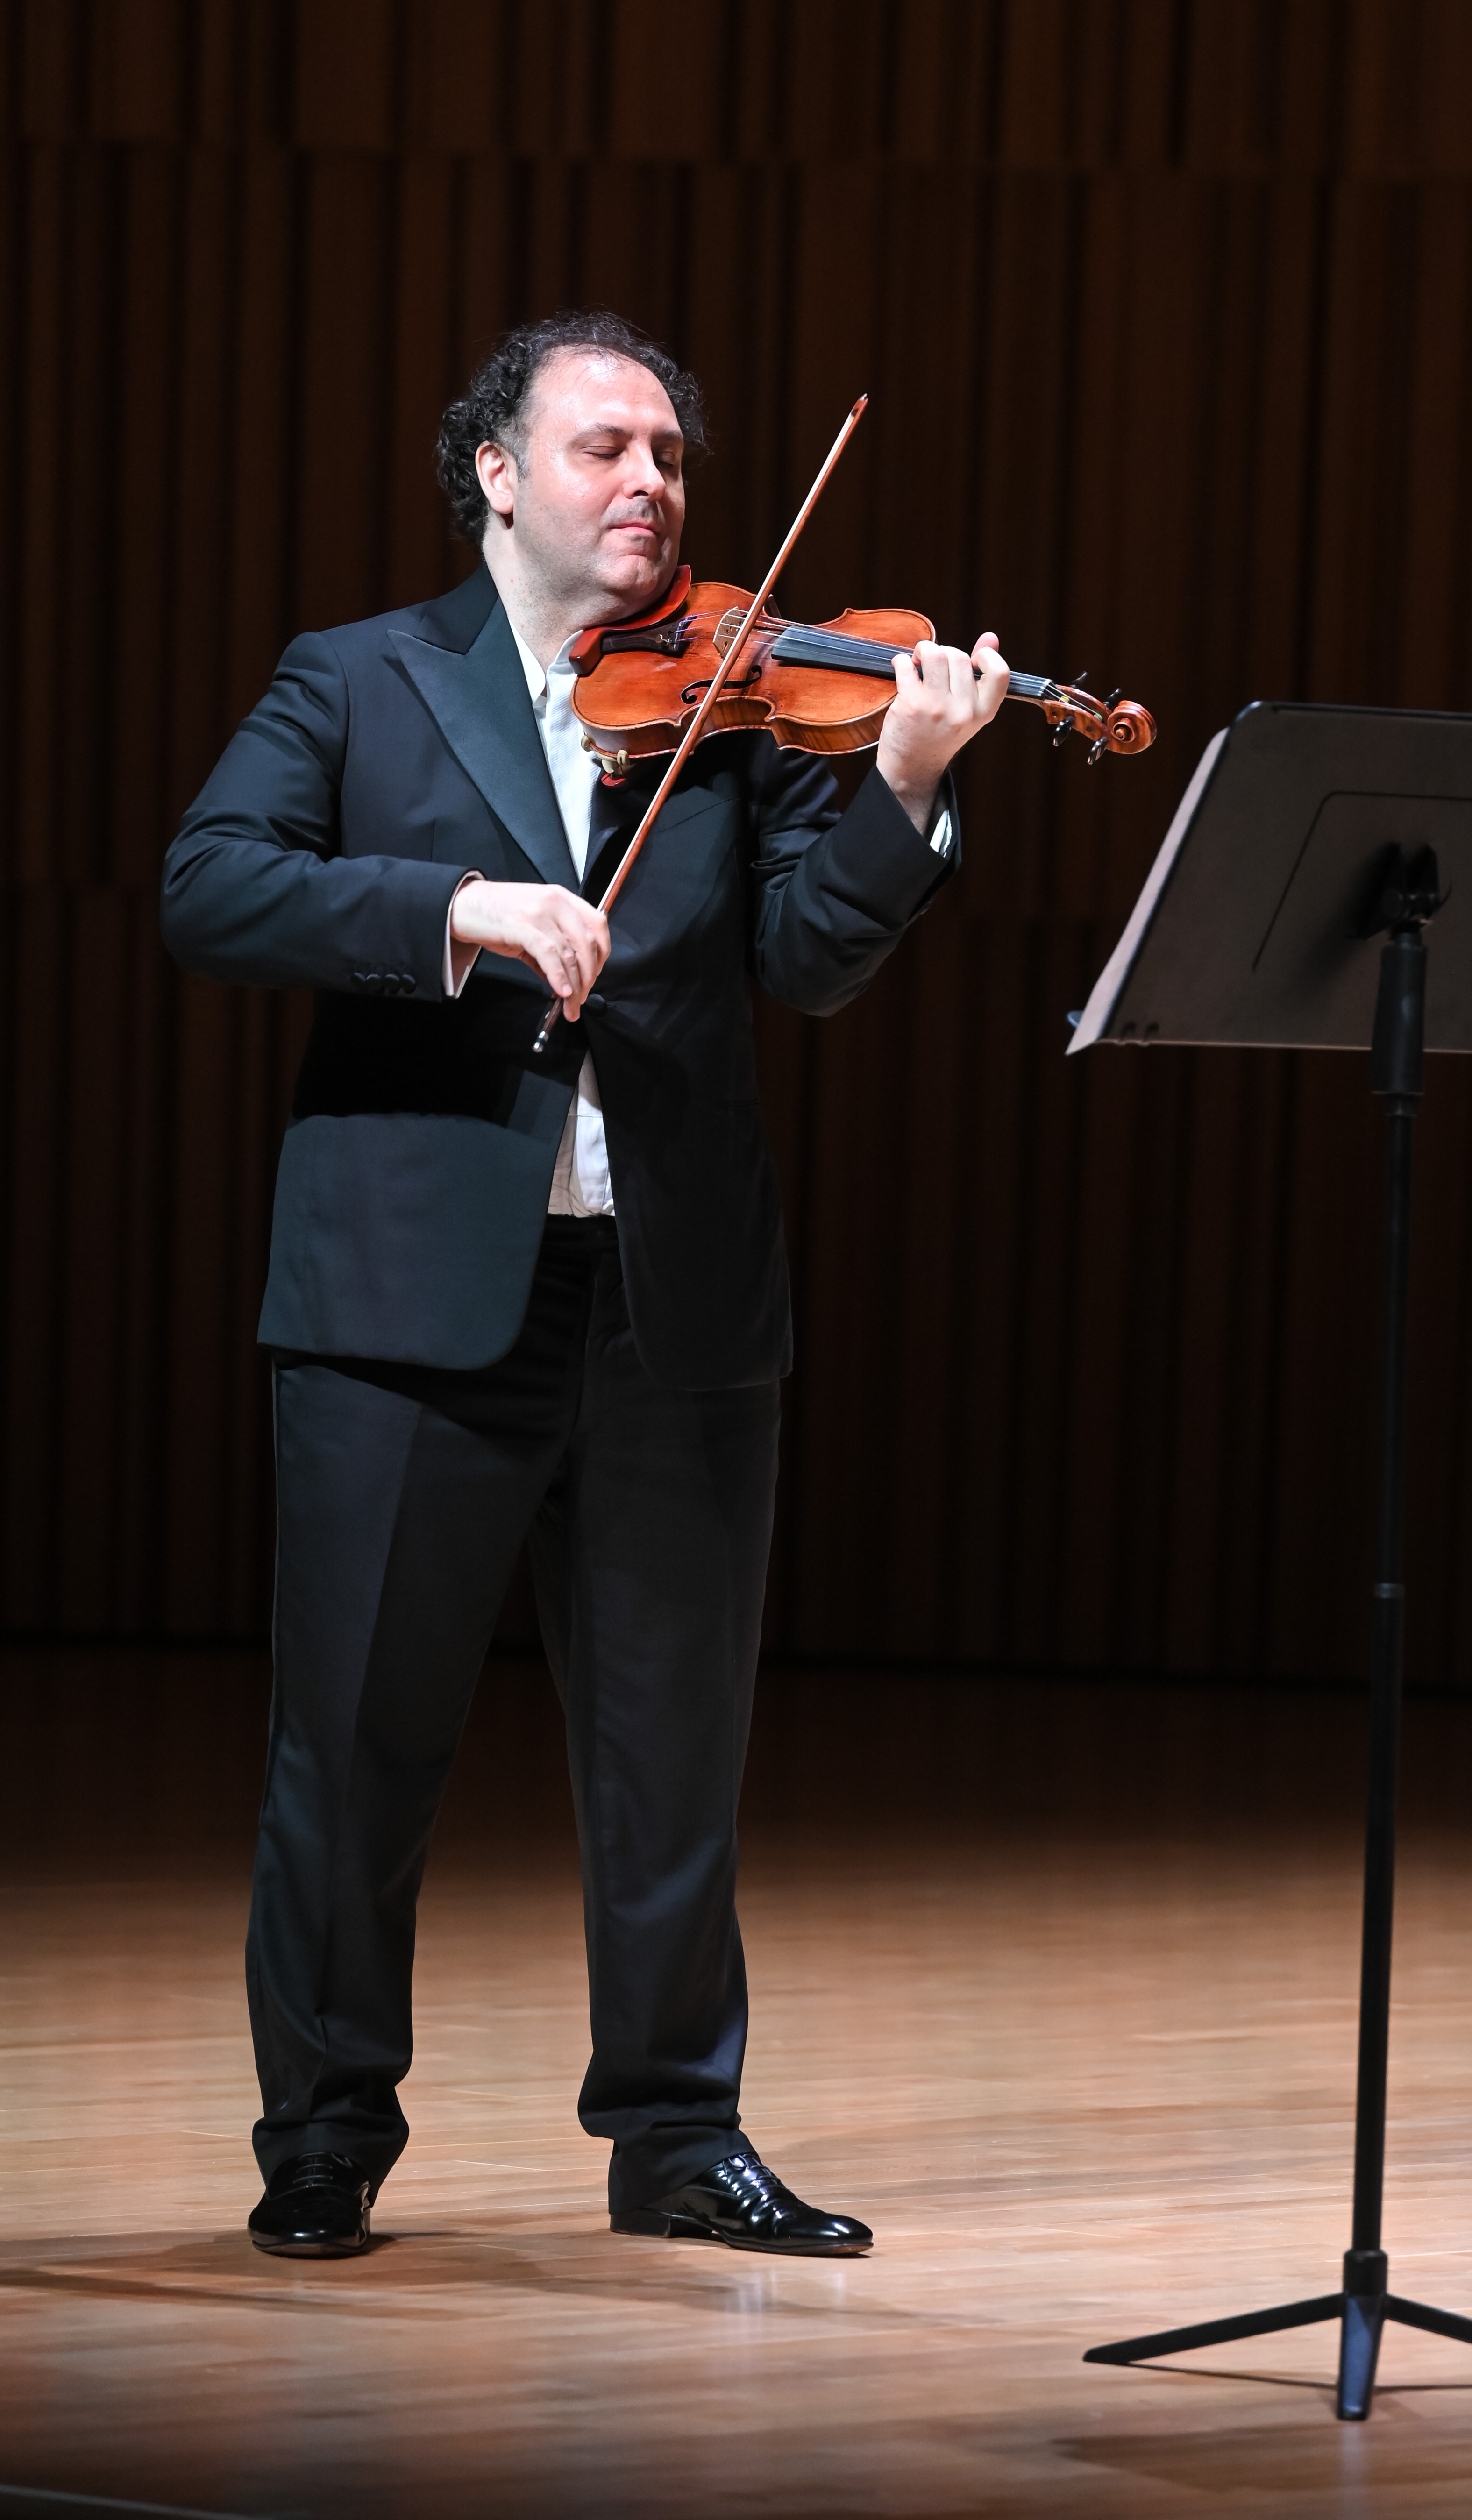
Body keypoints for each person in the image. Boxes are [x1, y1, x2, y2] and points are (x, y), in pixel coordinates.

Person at [160, 310, 1008, 2260]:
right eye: (607, 449)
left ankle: (674, 2135)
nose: (651, 487)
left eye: (671, 459)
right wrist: (448, 910)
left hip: (671, 1298)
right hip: (403, 1310)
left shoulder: (730, 701)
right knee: (357, 1741)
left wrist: (899, 782)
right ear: (498, 472)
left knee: (670, 1748)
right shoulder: (359, 681)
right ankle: (322, 2133)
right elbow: (210, 883)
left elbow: (802, 960)